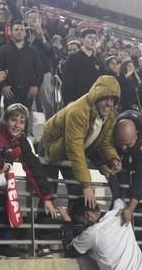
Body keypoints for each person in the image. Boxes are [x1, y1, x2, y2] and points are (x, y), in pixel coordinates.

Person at [0, 103, 57, 259]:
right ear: (5, 120)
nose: (17, 125)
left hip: (2, 182)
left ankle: (4, 245)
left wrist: (46, 197)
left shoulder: (21, 141)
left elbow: (34, 167)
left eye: (21, 122)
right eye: (14, 120)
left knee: (8, 207)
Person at [41, 75, 121, 208]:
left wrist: (113, 158)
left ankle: (75, 227)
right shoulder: (78, 111)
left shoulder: (111, 114)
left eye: (113, 99)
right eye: (105, 98)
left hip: (74, 151)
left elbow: (106, 142)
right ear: (96, 96)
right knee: (49, 193)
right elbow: (74, 148)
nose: (109, 103)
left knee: (79, 196)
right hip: (52, 148)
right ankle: (43, 225)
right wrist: (86, 184)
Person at [102, 110, 142, 257]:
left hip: (139, 166)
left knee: (139, 204)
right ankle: (116, 245)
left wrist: (131, 208)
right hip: (119, 171)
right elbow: (101, 149)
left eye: (128, 144)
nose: (125, 148)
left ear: (137, 134)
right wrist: (112, 159)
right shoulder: (110, 130)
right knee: (116, 204)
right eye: (121, 144)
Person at [0, 19, 43, 136]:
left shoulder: (32, 51)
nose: (19, 32)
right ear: (11, 32)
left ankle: (23, 146)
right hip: (10, 92)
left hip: (27, 92)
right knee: (10, 120)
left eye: (22, 29)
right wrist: (4, 85)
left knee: (24, 120)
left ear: (25, 32)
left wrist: (36, 86)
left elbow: (39, 71)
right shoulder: (4, 50)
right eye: (16, 29)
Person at [61, 28, 102, 104]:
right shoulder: (73, 58)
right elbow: (67, 82)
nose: (93, 40)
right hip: (75, 102)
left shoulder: (98, 61)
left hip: (92, 103)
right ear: (82, 40)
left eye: (95, 38)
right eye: (89, 37)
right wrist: (69, 100)